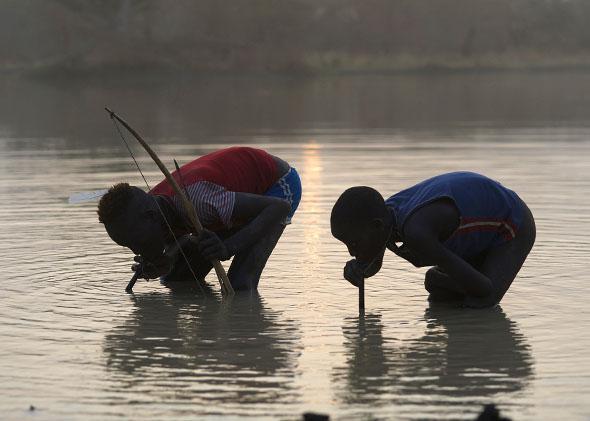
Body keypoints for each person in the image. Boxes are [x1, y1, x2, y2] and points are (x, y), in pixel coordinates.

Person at [97, 146, 301, 291]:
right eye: (128, 246)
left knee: (239, 285)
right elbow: (177, 239)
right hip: (226, 200)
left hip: (276, 188)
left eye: (136, 242)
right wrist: (163, 262)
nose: (136, 250)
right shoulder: (153, 209)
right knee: (177, 280)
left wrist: (228, 247)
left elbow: (278, 208)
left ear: (151, 218)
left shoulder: (198, 201)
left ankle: (246, 346)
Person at [330, 172, 535, 308]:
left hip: (512, 223)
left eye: (354, 243)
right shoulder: (385, 218)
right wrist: (361, 271)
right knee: (441, 292)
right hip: (475, 233)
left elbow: (484, 289)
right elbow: (374, 263)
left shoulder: (417, 233)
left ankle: (474, 362)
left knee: (481, 301)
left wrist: (436, 278)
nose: (350, 252)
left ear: (376, 227)